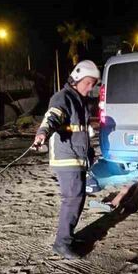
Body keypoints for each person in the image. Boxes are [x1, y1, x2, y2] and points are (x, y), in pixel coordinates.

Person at [34, 60, 100, 259]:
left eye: (93, 84)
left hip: (77, 156)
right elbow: (52, 116)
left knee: (77, 198)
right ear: (77, 78)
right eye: (88, 83)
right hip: (66, 156)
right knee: (72, 199)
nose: (90, 88)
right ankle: (62, 243)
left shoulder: (79, 100)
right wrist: (42, 133)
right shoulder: (62, 97)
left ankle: (67, 237)